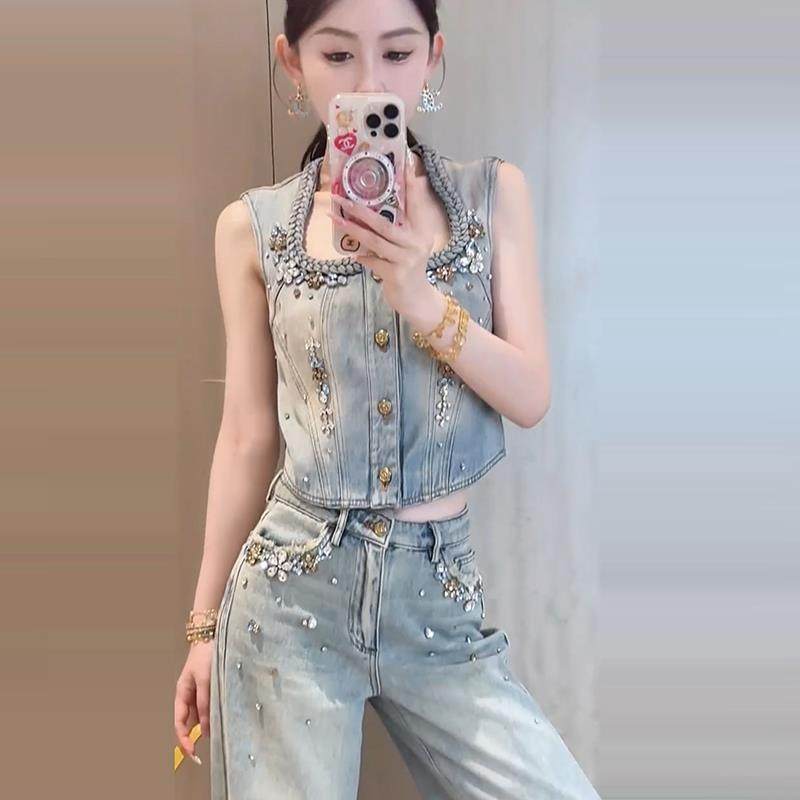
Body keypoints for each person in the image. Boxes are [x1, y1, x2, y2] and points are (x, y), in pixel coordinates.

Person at [175, 1, 601, 797]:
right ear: (292, 62)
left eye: (397, 54)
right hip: (290, 598)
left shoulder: (491, 195)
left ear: (433, 57)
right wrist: (202, 629)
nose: (370, 83)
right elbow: (246, 437)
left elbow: (530, 395)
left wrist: (418, 295)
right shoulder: (252, 227)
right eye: (338, 56)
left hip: (438, 602)